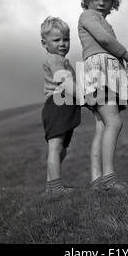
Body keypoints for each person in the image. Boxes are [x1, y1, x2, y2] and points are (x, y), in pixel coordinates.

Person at [78, 0, 128, 191]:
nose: (101, 3)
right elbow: (104, 40)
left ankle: (96, 180)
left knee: (102, 125)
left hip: (101, 71)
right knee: (114, 122)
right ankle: (110, 179)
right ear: (87, 0)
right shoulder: (89, 16)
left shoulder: (98, 19)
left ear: (113, 2)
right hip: (101, 70)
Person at [41, 16, 81, 194]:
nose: (62, 44)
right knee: (56, 147)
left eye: (66, 39)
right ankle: (56, 188)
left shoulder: (61, 60)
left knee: (61, 149)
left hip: (65, 104)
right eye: (56, 40)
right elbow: (63, 82)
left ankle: (51, 188)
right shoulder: (55, 59)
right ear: (44, 43)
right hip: (58, 103)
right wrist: (84, 97)